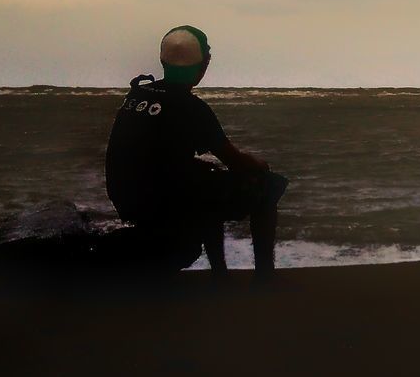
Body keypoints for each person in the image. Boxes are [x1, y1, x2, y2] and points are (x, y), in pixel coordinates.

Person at [105, 25, 288, 278]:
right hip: (164, 202)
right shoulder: (191, 107)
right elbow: (235, 161)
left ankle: (220, 272)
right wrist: (259, 164)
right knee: (268, 185)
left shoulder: (138, 93)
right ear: (204, 64)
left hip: (128, 199)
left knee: (205, 179)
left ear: (162, 60)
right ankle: (264, 276)